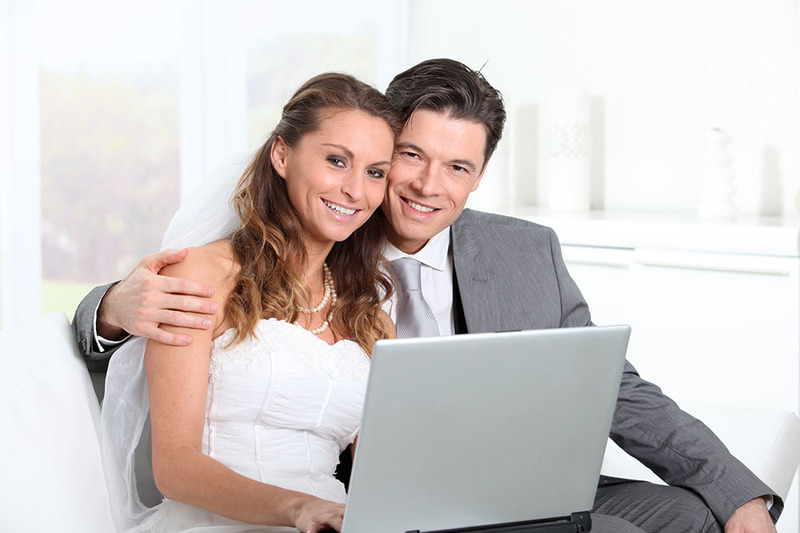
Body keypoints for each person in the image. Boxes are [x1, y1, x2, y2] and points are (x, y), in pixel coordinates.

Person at [74, 59, 781, 533]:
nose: (418, 185)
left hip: (503, 486)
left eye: (457, 166)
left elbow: (618, 390)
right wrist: (108, 308)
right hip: (355, 507)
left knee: (697, 516)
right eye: (408, 157)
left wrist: (741, 490)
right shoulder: (253, 255)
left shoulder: (502, 259)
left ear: (477, 178)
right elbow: (170, 358)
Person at [95, 72, 398, 533]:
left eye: (375, 172)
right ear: (281, 154)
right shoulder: (201, 276)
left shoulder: (371, 322)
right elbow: (175, 467)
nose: (356, 190)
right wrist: (298, 508)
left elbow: (386, 481)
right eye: (337, 161)